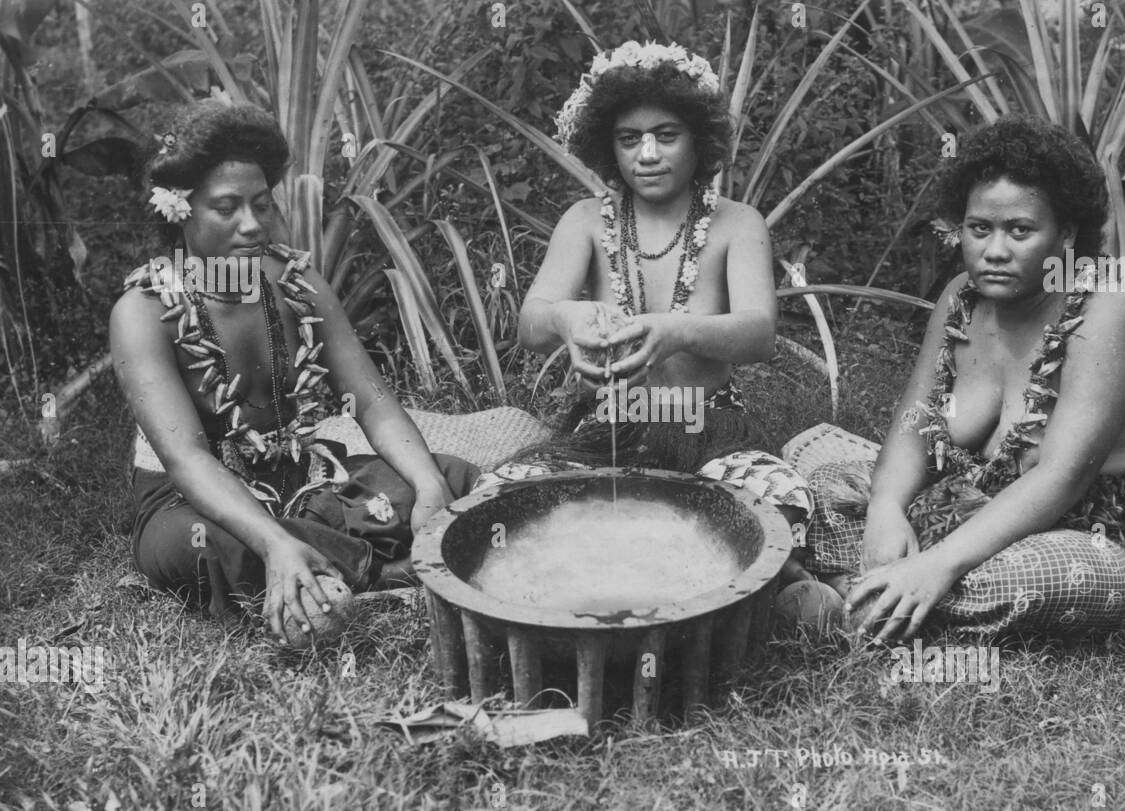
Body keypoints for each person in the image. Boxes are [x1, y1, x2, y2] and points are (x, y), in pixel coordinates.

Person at [802, 116, 1125, 642]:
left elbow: (1062, 479)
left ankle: (853, 594)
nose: (996, 250)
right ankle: (883, 596)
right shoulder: (961, 296)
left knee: (1025, 577)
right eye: (980, 228)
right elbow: (915, 420)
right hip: (972, 499)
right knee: (815, 463)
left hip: (1093, 529)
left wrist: (938, 564)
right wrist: (887, 510)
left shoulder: (1104, 313)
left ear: (1066, 234)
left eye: (1021, 231)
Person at [110, 100, 478, 645]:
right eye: (227, 208)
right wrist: (273, 543)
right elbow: (185, 456)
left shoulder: (296, 283)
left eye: (261, 203)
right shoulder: (141, 313)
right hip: (193, 500)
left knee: (455, 478)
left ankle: (340, 567)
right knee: (210, 547)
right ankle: (389, 570)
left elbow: (371, 400)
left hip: (302, 475)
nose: (252, 224)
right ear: (178, 211)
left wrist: (425, 484)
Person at [475, 41, 813, 573]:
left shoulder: (737, 223)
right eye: (630, 140)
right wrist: (565, 319)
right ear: (610, 149)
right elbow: (530, 325)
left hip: (709, 425)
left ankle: (658, 557)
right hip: (605, 426)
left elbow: (759, 335)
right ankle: (675, 559)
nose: (648, 154)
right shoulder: (586, 220)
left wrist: (678, 331)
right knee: (499, 497)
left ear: (700, 143)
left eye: (666, 136)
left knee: (783, 503)